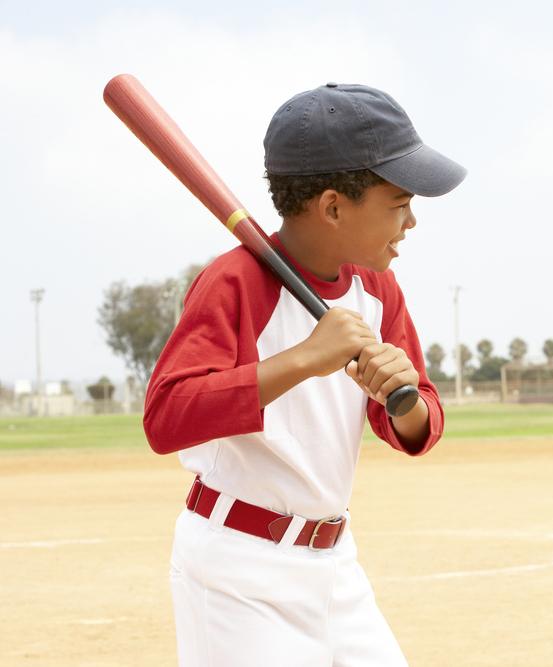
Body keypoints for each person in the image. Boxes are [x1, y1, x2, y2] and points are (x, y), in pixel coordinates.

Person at [143, 82, 466, 666]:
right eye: (398, 202)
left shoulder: (377, 288)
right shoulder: (236, 281)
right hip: (239, 571)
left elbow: (417, 425)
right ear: (334, 206)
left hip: (335, 566)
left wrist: (405, 399)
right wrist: (301, 361)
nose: (411, 221)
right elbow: (166, 417)